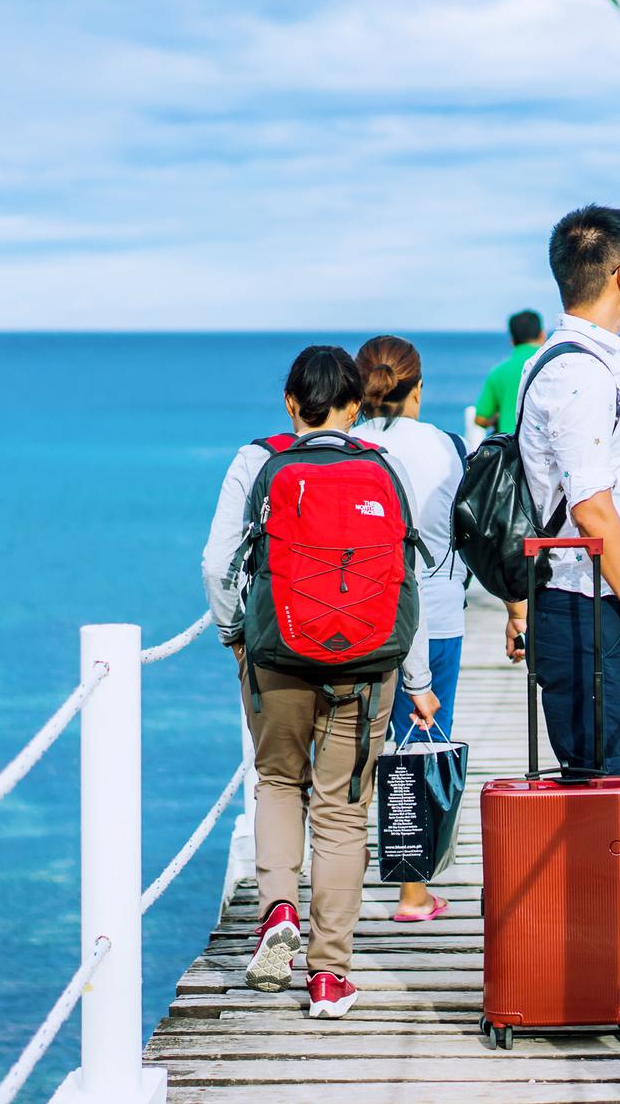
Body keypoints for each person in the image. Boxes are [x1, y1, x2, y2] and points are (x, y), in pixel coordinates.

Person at [200, 345, 441, 1020]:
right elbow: (404, 580)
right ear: (358, 406)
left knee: (278, 779)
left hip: (277, 654)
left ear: (290, 402)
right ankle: (330, 975)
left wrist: (234, 633)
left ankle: (278, 906)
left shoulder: (258, 460)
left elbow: (218, 563)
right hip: (367, 665)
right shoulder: (384, 469)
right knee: (342, 808)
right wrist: (414, 674)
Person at [507, 205, 620, 775]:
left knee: (598, 768)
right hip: (582, 599)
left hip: (592, 593)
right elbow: (590, 507)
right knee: (594, 775)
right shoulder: (578, 374)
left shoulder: (585, 359)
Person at [351, 334, 467, 925]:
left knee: (352, 752)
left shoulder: (342, 447)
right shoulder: (449, 447)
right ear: (418, 388)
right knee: (419, 745)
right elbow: (468, 532)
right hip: (437, 612)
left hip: (353, 615)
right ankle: (412, 894)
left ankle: (331, 887)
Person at [473, 309, 543, 434]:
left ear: (512, 340)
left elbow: (480, 418)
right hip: (544, 445)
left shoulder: (498, 371)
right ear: (542, 335)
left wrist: (497, 418)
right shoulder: (551, 365)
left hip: (510, 447)